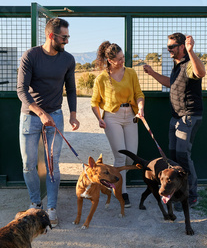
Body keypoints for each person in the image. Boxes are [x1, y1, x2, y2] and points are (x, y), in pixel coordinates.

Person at [17, 17, 80, 227]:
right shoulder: (31, 56)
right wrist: (39, 112)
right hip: (30, 117)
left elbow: (70, 89)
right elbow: (21, 90)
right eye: (64, 37)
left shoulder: (68, 60)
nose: (67, 41)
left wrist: (72, 114)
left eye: (68, 37)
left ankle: (52, 208)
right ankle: (36, 204)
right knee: (28, 165)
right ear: (51, 36)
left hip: (56, 117)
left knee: (52, 164)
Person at [143, 33, 205, 209]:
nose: (168, 49)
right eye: (168, 46)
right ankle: (177, 193)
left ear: (181, 47)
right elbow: (171, 83)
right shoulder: (177, 66)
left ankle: (191, 196)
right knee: (174, 160)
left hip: (189, 117)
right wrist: (153, 73)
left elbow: (201, 73)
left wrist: (192, 52)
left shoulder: (188, 65)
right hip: (176, 118)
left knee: (184, 158)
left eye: (171, 47)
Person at [91, 41, 145, 207]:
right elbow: (94, 102)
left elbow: (139, 94)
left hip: (131, 116)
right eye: (119, 59)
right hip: (112, 117)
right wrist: (99, 118)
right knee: (120, 156)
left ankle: (118, 185)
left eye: (123, 58)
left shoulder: (130, 73)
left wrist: (141, 108)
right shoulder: (101, 79)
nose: (123, 61)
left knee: (131, 156)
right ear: (110, 60)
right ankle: (122, 191)